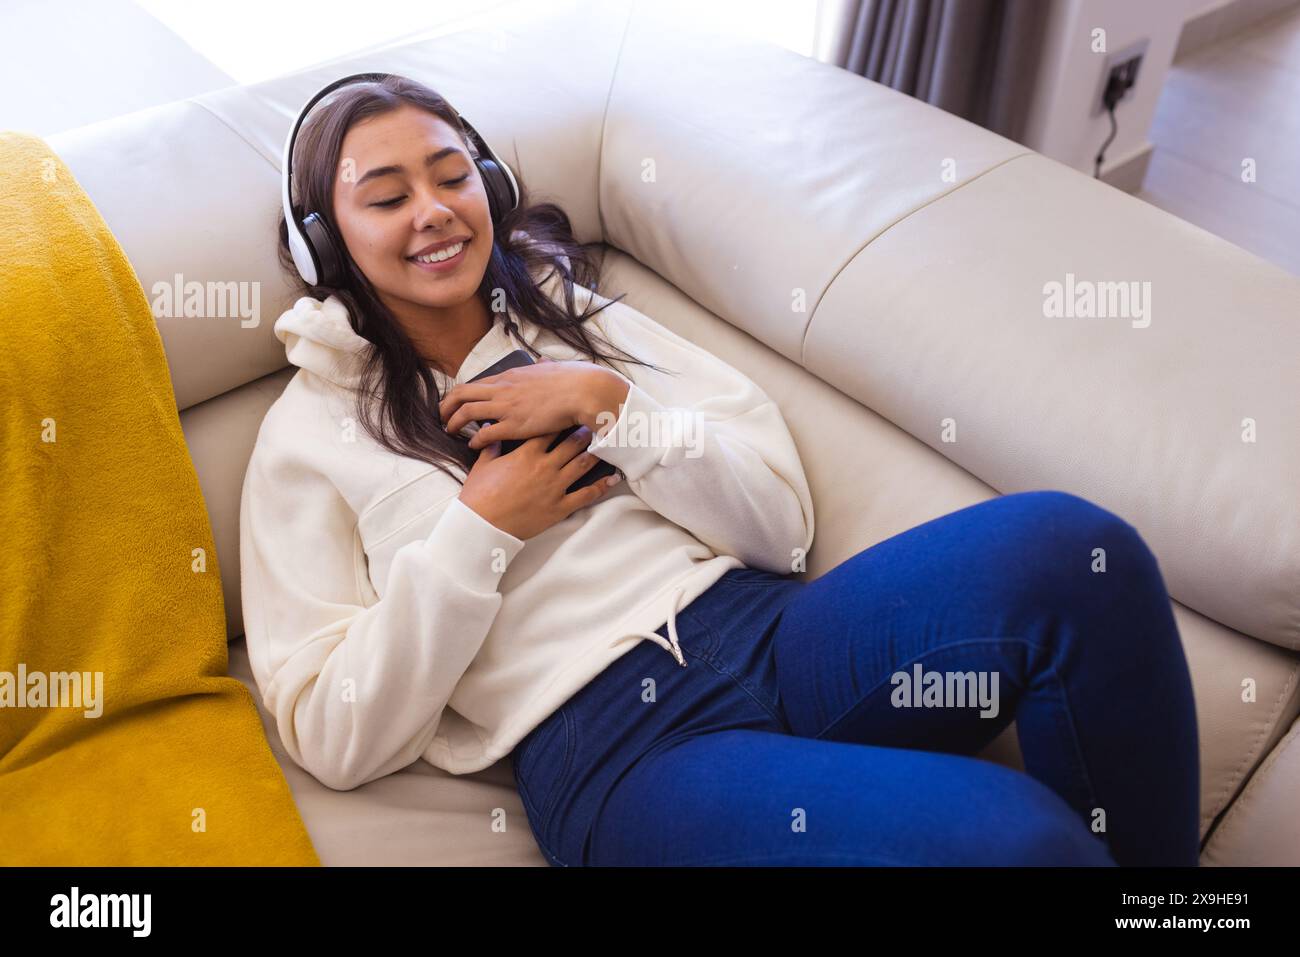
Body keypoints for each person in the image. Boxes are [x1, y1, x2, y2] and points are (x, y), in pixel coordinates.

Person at [240, 74, 1200, 867]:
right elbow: (333, 733)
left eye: (452, 177)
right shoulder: (305, 441)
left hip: (776, 631)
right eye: (387, 196)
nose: (435, 211)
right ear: (324, 241)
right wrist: (478, 534)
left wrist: (614, 410)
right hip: (624, 750)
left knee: (1076, 549)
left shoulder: (582, 324)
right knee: (1019, 842)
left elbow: (779, 527)